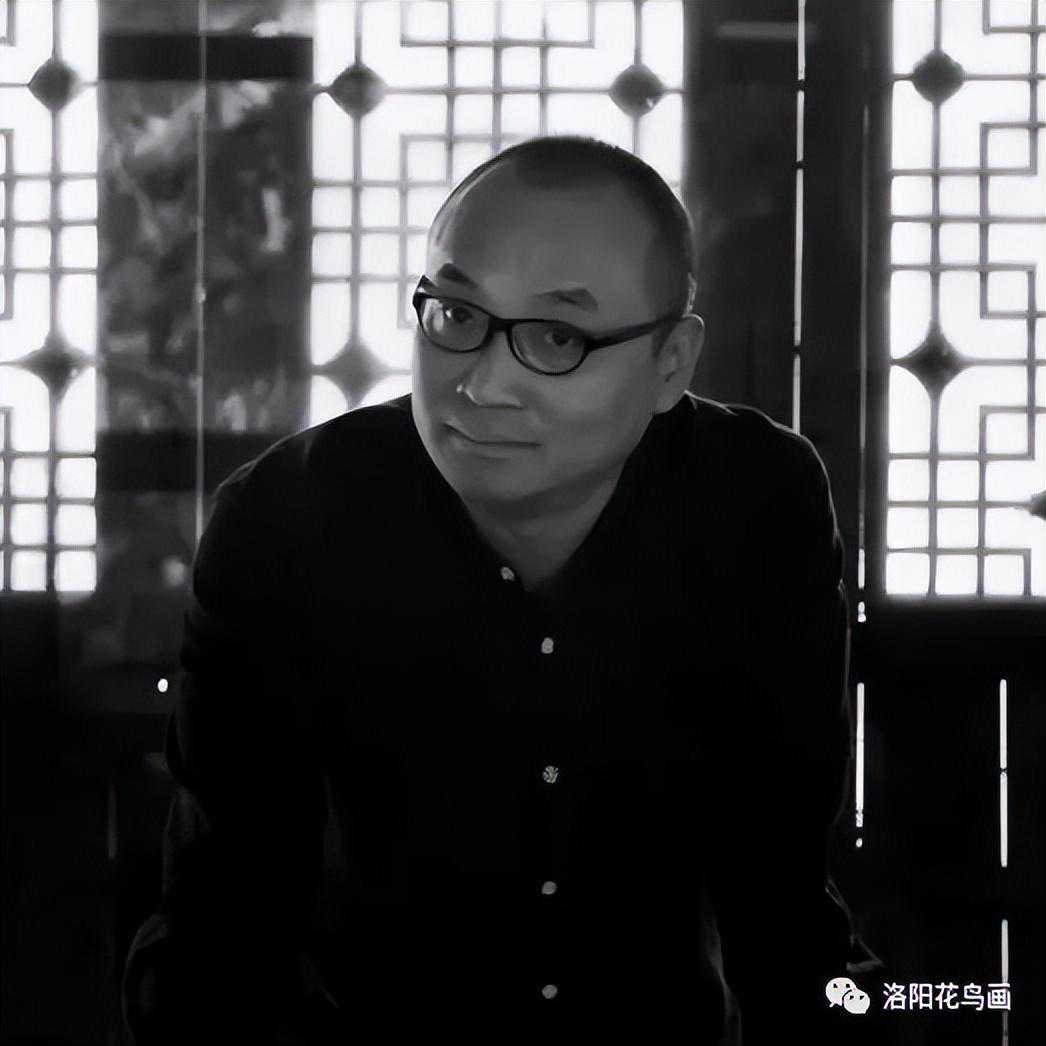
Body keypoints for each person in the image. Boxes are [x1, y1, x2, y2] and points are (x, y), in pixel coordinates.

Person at [122, 134, 877, 1045]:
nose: (481, 384)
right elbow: (218, 928)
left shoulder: (756, 504)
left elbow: (783, 900)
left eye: (557, 336)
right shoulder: (287, 520)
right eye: (455, 316)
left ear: (672, 363)